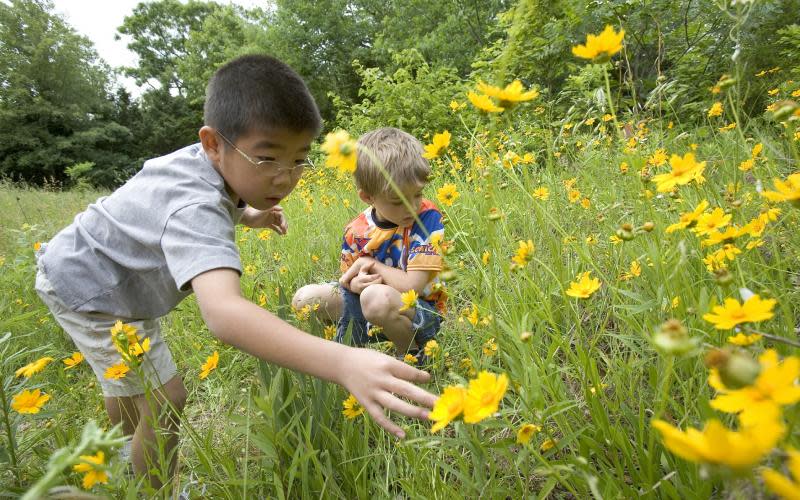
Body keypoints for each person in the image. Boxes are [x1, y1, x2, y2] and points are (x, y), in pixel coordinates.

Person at [33, 55, 435, 490]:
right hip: (92, 290)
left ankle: (122, 464)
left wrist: (247, 215)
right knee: (165, 400)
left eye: (299, 160)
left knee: (133, 391)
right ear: (213, 143)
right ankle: (154, 492)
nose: (285, 178)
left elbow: (191, 200)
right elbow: (224, 313)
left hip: (105, 278)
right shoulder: (194, 207)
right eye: (267, 158)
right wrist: (342, 361)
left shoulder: (205, 166)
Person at [292, 127, 446, 362]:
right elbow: (347, 281)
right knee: (304, 299)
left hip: (421, 311)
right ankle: (347, 347)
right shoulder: (357, 230)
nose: (412, 206)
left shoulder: (427, 218)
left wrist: (370, 264)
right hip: (370, 307)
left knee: (375, 297)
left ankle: (412, 355)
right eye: (398, 201)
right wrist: (355, 283)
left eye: (418, 194)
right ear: (368, 197)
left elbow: (412, 287)